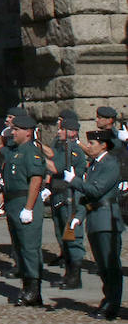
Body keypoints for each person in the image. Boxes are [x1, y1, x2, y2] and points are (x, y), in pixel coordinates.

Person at [67, 128, 123, 320]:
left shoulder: (110, 164)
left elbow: (95, 190)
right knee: (102, 265)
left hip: (107, 219)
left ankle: (112, 304)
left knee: (110, 265)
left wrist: (73, 180)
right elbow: (86, 197)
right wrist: (79, 215)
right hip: (95, 218)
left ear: (103, 145)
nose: (88, 146)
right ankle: (108, 299)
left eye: (92, 143)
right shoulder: (95, 165)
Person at [2, 112, 46, 306]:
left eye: (17, 130)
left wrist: (29, 208)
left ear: (28, 132)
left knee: (29, 247)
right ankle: (26, 285)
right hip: (13, 203)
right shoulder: (15, 151)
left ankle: (34, 290)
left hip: (24, 201)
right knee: (19, 247)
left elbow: (35, 180)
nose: (13, 132)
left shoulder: (31, 151)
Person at [42, 109, 87, 290]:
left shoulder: (73, 150)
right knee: (63, 236)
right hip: (59, 195)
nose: (58, 131)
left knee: (72, 237)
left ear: (72, 131)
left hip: (70, 198)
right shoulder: (61, 147)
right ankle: (68, 274)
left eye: (62, 129)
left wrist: (36, 150)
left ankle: (75, 277)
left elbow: (55, 167)